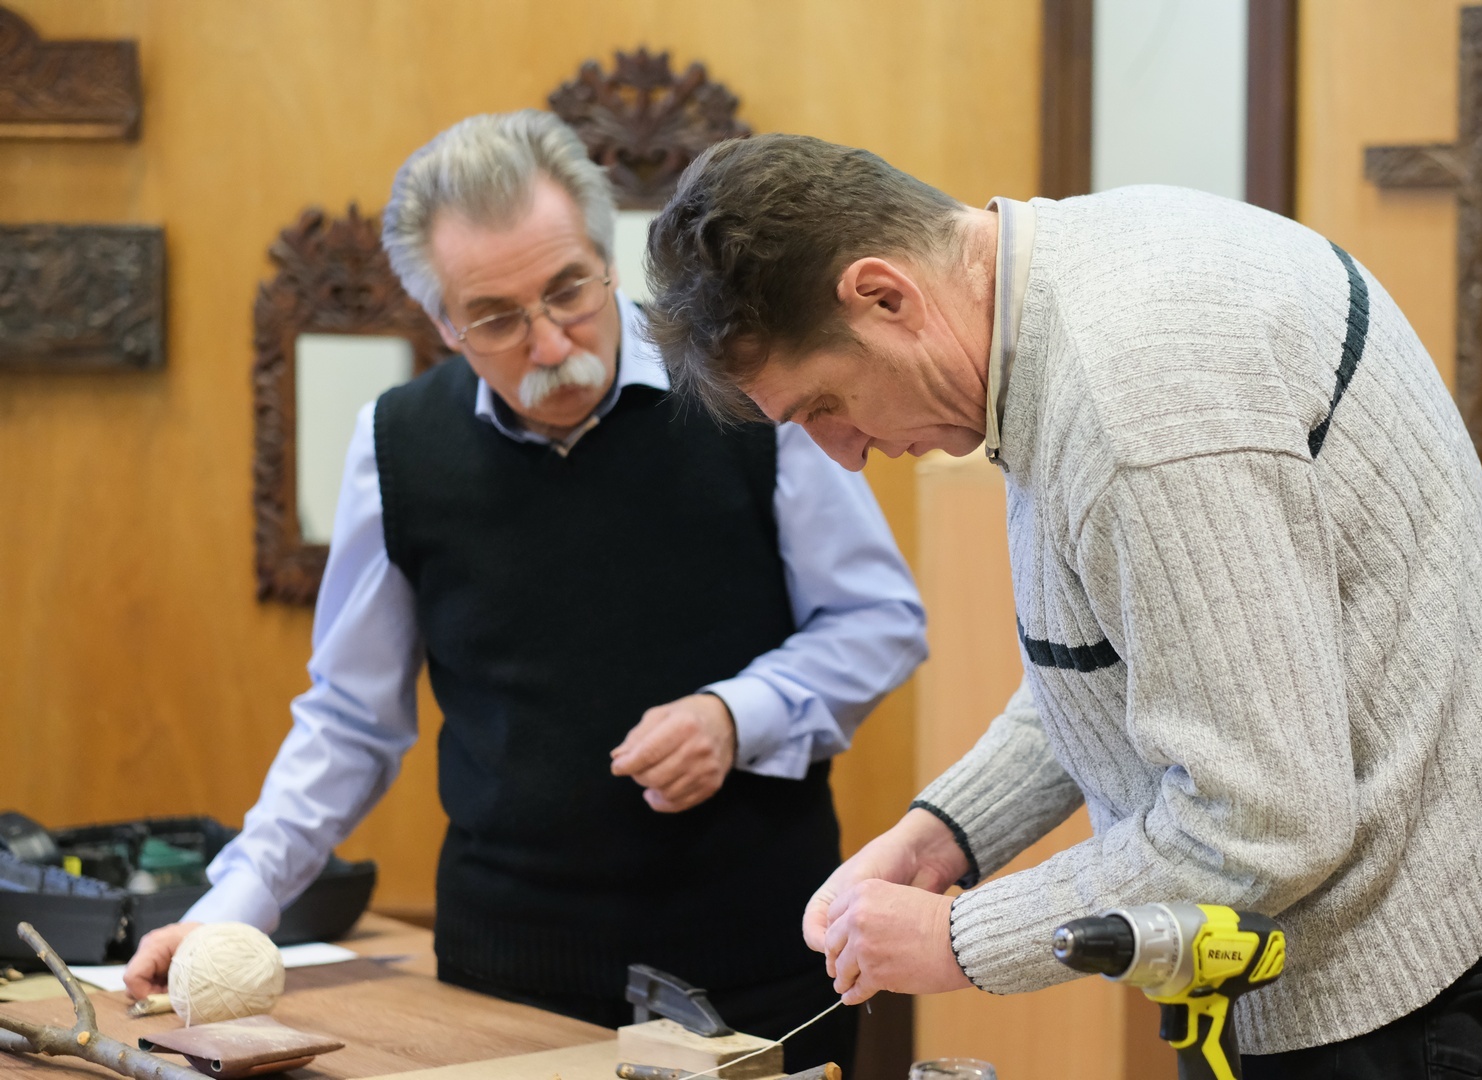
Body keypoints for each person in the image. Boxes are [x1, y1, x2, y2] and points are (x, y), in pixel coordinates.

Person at [641, 133, 1482, 1078]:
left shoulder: (1133, 402)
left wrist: (961, 940)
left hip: (1390, 952)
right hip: (1328, 903)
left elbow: (1263, 822)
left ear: (885, 296)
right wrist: (944, 837)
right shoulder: (1064, 284)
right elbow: (1133, 656)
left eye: (822, 406)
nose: (844, 455)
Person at [124, 114, 927, 1074]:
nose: (549, 343)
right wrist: (232, 908)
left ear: (607, 257)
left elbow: (880, 619)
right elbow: (349, 719)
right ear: (442, 324)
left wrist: (736, 715)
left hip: (754, 968)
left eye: (569, 291)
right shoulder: (398, 445)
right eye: (497, 319)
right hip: (500, 980)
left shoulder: (744, 385)